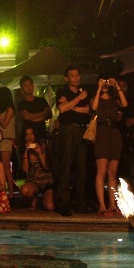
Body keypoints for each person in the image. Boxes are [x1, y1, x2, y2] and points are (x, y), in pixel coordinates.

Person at [53, 66, 92, 215]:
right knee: (66, 165)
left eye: (77, 75)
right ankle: (64, 204)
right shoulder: (62, 91)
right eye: (72, 75)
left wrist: (72, 105)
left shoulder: (85, 92)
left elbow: (88, 110)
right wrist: (78, 99)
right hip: (68, 130)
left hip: (82, 130)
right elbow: (62, 109)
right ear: (66, 78)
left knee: (81, 167)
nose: (76, 78)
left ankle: (80, 203)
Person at [91, 76, 127, 215]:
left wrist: (117, 86)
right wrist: (99, 88)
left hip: (114, 134)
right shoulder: (96, 99)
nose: (105, 83)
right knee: (101, 172)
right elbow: (94, 107)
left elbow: (125, 104)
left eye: (106, 81)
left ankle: (113, 204)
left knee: (112, 173)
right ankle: (102, 206)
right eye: (102, 81)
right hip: (102, 134)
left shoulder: (114, 99)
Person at [19, 125, 55, 211]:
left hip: (46, 180)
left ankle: (45, 199)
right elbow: (25, 170)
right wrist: (26, 152)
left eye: (31, 134)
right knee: (25, 190)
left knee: (50, 207)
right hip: (34, 180)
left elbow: (47, 167)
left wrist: (40, 154)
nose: (29, 137)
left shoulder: (42, 146)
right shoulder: (24, 148)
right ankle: (33, 198)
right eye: (27, 135)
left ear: (35, 135)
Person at [0, 87, 17, 194]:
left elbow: (4, 124)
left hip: (6, 139)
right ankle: (0, 191)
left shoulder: (10, 109)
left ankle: (11, 193)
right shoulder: (1, 110)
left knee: (6, 166)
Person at [16, 75, 52, 140]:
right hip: (28, 137)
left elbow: (49, 114)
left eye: (30, 84)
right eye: (25, 85)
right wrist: (42, 113)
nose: (28, 87)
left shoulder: (42, 101)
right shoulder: (21, 104)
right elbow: (27, 117)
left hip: (41, 134)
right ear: (22, 89)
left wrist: (32, 117)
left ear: (33, 86)